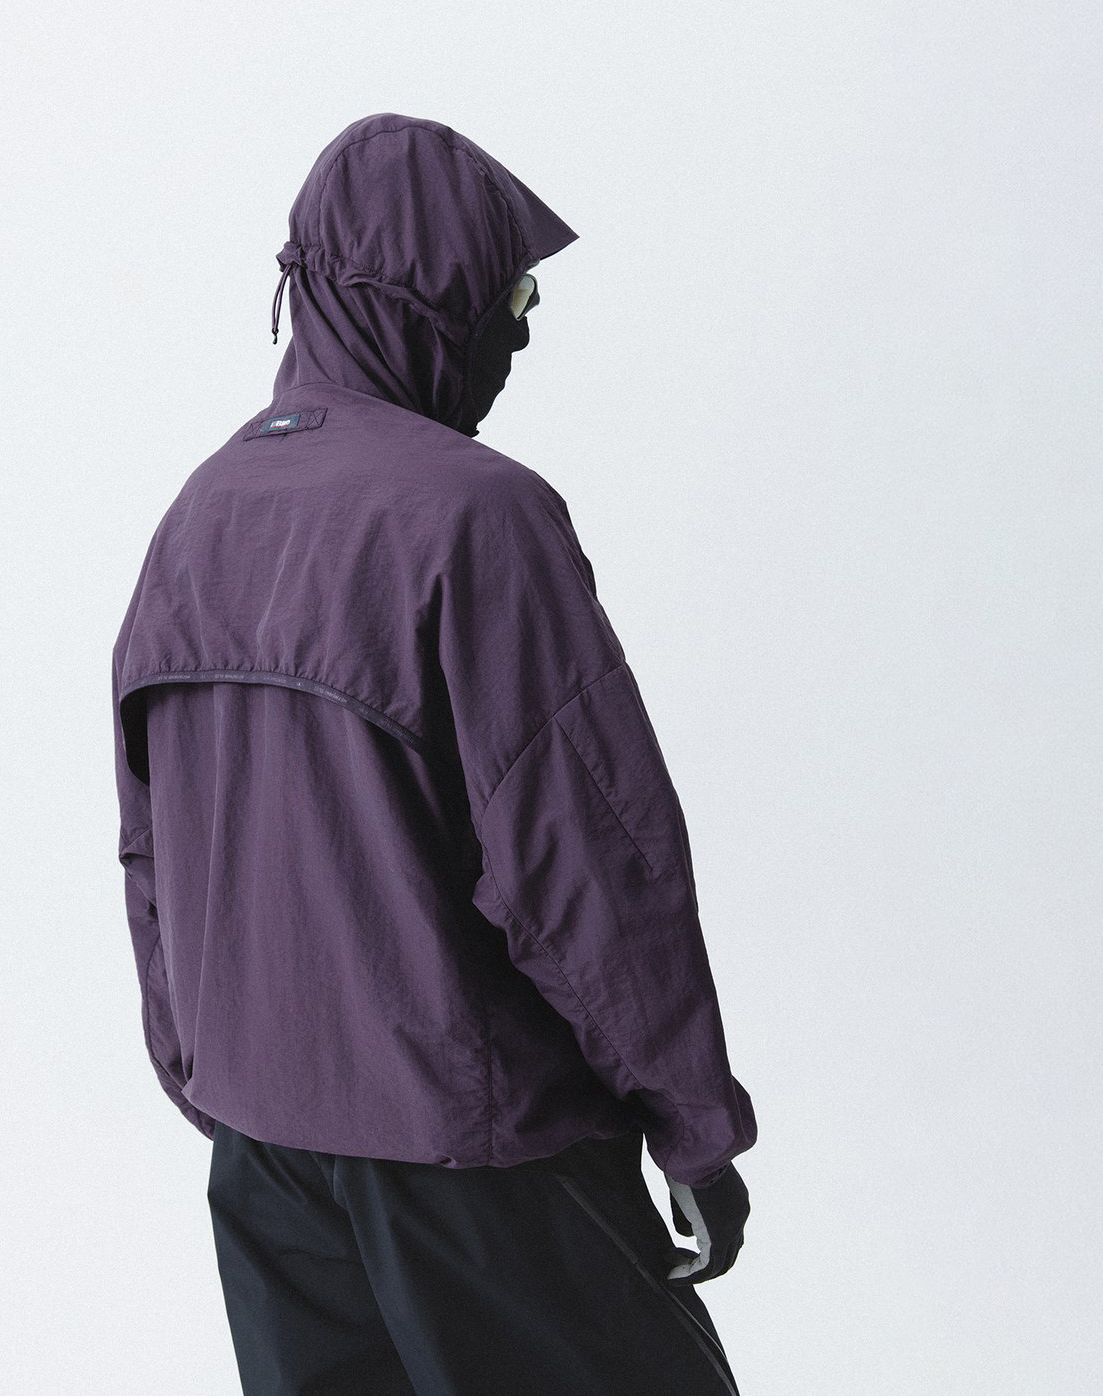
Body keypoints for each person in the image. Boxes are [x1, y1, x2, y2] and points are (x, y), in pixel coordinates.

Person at [111, 111, 758, 1395]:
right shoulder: (476, 516)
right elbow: (584, 856)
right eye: (511, 296)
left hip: (265, 1156)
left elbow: (152, 856)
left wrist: (208, 1075)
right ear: (436, 297)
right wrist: (692, 1123)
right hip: (478, 1152)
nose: (522, 331)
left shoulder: (194, 518)